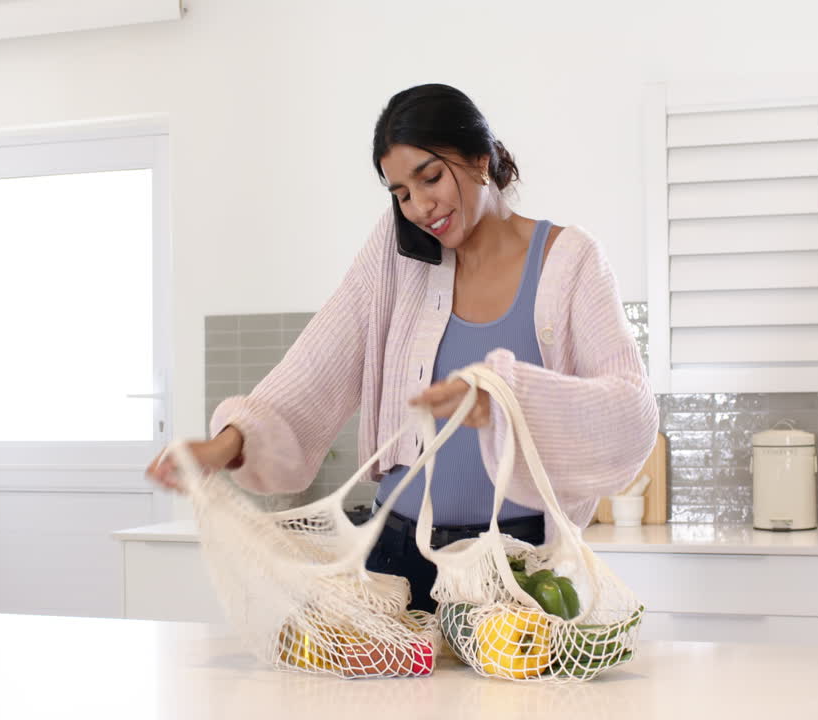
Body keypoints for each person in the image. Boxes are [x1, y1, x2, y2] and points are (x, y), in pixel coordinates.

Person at [146, 83, 658, 612]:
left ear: (480, 159)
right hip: (393, 555)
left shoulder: (571, 262)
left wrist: (508, 398)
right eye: (401, 193)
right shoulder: (397, 257)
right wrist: (228, 442)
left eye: (430, 178)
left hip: (516, 566)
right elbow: (319, 360)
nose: (419, 207)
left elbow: (632, 409)